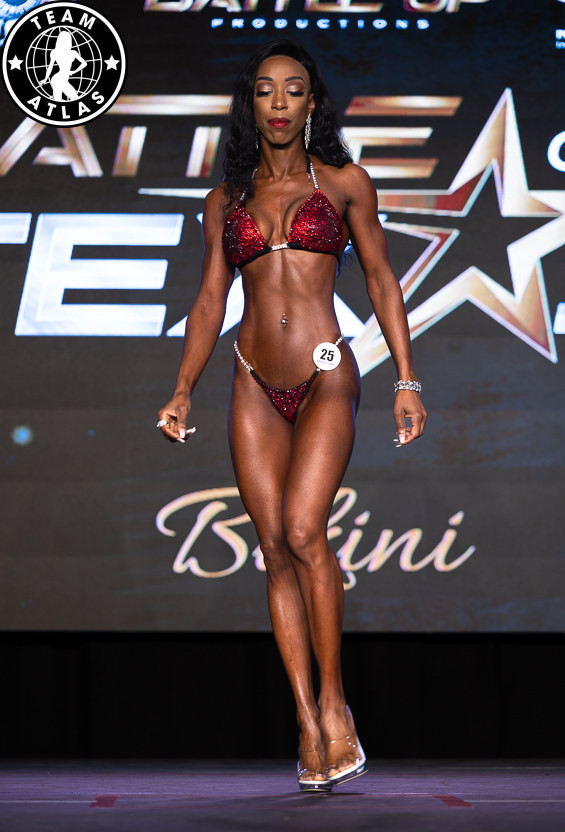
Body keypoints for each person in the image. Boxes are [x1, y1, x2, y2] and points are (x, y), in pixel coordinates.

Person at [157, 40, 427, 792]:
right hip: (252, 380)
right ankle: (306, 722)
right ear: (251, 104)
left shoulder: (344, 183)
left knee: (306, 531)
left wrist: (407, 379)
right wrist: (182, 388)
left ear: (313, 103)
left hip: (326, 375)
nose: (279, 103)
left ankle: (337, 704)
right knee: (274, 547)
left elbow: (381, 279)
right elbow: (209, 301)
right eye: (266, 90)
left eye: (294, 89)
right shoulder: (225, 200)